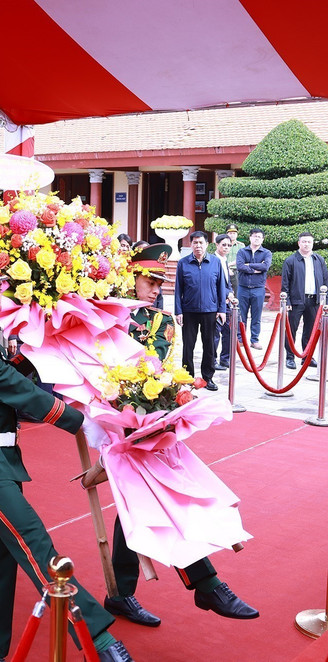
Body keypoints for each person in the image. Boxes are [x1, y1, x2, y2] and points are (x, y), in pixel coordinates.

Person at [0, 238, 133, 662]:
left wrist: (43, 343)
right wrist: (86, 425)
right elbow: (22, 395)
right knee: (36, 545)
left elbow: (10, 375)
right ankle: (97, 639)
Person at [106, 244, 258, 628]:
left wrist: (176, 399)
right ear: (130, 278)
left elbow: (167, 367)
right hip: (118, 423)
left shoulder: (164, 321)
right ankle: (206, 584)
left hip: (154, 424)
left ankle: (121, 594)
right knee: (158, 503)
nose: (155, 288)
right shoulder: (113, 317)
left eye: (159, 282)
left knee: (139, 507)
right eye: (148, 280)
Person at [174, 231, 226, 391]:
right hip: (189, 311)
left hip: (210, 311)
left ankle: (208, 377)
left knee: (209, 346)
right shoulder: (183, 263)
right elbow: (178, 289)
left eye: (201, 243)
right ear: (191, 245)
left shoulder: (215, 262)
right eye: (195, 243)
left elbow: (221, 287)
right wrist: (178, 311)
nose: (198, 246)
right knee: (188, 346)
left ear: (207, 244)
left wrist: (222, 309)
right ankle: (187, 377)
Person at [282, 231, 328, 369]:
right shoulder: (291, 260)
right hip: (296, 301)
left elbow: (325, 280)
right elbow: (285, 283)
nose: (307, 244)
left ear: (312, 243)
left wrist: (324, 300)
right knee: (292, 330)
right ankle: (290, 357)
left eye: (309, 241)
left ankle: (307, 356)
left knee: (310, 330)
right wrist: (287, 301)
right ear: (299, 243)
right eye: (304, 241)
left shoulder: (319, 259)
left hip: (314, 301)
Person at [235, 228, 271, 350]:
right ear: (250, 237)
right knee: (241, 315)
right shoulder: (242, 251)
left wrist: (248, 265)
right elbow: (239, 266)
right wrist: (256, 269)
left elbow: (265, 266)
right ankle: (240, 339)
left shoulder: (266, 253)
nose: (256, 238)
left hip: (258, 289)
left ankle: (254, 340)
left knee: (256, 316)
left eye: (259, 237)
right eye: (254, 236)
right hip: (243, 288)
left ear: (263, 239)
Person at [212, 235, 236, 371]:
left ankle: (225, 359)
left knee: (228, 332)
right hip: (216, 303)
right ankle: (212, 360)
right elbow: (214, 283)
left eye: (229, 245)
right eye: (223, 245)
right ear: (216, 245)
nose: (226, 247)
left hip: (226, 303)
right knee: (215, 334)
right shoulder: (213, 260)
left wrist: (230, 293)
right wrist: (227, 293)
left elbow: (227, 282)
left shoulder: (224, 260)